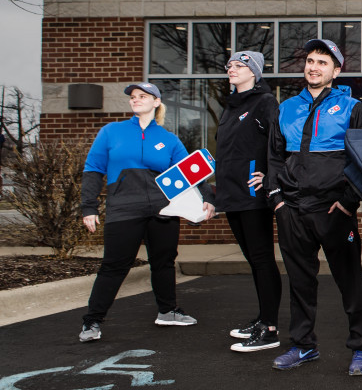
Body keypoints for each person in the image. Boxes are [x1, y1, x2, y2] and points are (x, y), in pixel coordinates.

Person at [267, 38, 362, 374]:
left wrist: (348, 202)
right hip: (292, 209)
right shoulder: (286, 107)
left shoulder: (352, 108)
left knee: (350, 280)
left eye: (323, 62)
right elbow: (274, 157)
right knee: (300, 282)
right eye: (310, 61)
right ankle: (303, 346)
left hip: (334, 209)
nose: (314, 67)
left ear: (336, 71)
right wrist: (277, 200)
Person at [78, 82, 214, 342]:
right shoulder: (111, 132)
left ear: (156, 102)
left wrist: (208, 198)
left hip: (163, 209)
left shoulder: (168, 139)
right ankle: (92, 321)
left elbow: (191, 172)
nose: (136, 99)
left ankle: (167, 311)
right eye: (133, 96)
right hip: (124, 209)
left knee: (163, 262)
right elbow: (93, 169)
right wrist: (89, 206)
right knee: (114, 266)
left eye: (143, 96)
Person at [216, 50, 282, 352]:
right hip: (231, 194)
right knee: (253, 261)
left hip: (253, 195)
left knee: (262, 259)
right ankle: (262, 318)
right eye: (230, 65)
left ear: (254, 72)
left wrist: (268, 175)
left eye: (239, 65)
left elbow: (278, 143)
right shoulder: (230, 106)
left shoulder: (265, 102)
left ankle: (270, 329)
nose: (232, 68)